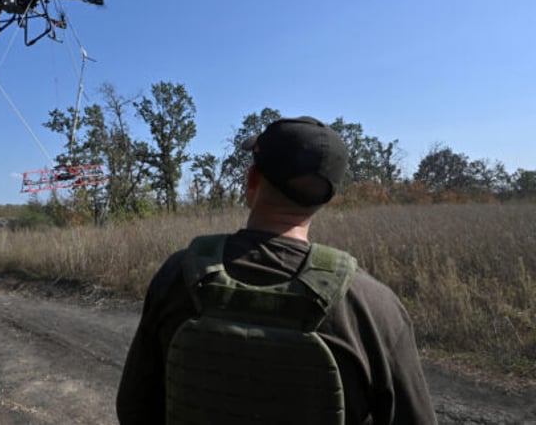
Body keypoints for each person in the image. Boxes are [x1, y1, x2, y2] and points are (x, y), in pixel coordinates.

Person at [116, 116, 437, 424]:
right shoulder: (373, 306)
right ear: (327, 198)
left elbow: (134, 409)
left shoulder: (176, 275)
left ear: (251, 179)